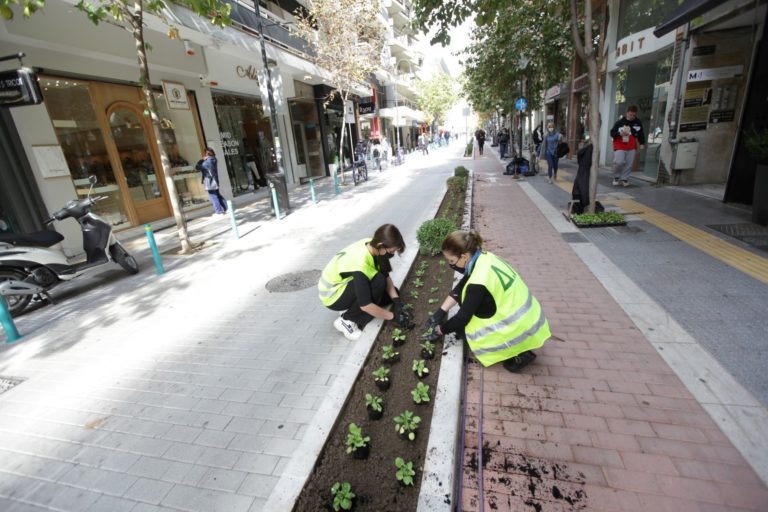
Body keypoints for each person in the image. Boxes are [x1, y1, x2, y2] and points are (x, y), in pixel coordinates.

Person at [422, 229, 551, 373]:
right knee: (467, 303)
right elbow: (461, 286)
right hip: (527, 314)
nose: (450, 265)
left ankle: (520, 354)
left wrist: (440, 330)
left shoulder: (478, 282)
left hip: (517, 326)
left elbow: (461, 319)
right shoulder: (484, 257)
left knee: (466, 327)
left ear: (464, 256)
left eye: (452, 261)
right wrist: (440, 312)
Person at [318, 224, 413, 341]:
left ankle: (352, 307)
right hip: (332, 295)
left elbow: (386, 275)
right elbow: (366, 305)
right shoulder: (360, 264)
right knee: (378, 281)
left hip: (346, 283)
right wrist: (393, 317)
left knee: (390, 294)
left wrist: (397, 302)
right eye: (392, 251)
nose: (392, 255)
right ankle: (347, 320)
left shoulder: (372, 244)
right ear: (381, 246)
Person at [610, 105, 646, 187]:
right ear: (627, 113)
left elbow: (641, 133)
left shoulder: (637, 122)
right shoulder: (620, 122)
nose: (632, 117)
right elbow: (612, 133)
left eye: (634, 115)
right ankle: (616, 177)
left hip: (631, 146)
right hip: (619, 145)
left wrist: (642, 143)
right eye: (630, 115)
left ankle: (624, 179)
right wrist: (619, 133)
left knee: (629, 164)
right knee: (619, 162)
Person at [196, 147, 227, 216]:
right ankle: (227, 208)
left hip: (210, 181)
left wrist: (201, 160)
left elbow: (197, 167)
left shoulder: (207, 162)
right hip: (215, 180)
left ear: (206, 154)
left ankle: (218, 212)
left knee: (213, 196)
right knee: (217, 195)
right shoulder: (214, 159)